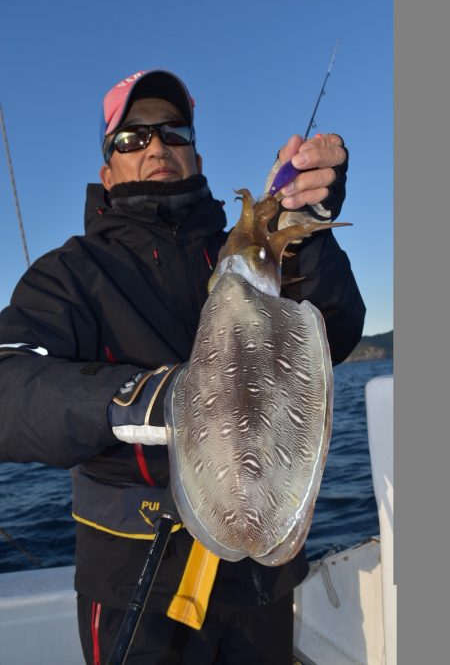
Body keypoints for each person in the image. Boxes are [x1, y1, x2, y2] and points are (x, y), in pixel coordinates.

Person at [0, 69, 365, 664]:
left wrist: (307, 227)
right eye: (131, 137)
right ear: (106, 169)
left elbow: (334, 332)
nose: (156, 145)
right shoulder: (70, 274)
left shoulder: (242, 251)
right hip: (135, 580)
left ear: (195, 151)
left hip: (258, 574)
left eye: (173, 130)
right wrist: (140, 398)